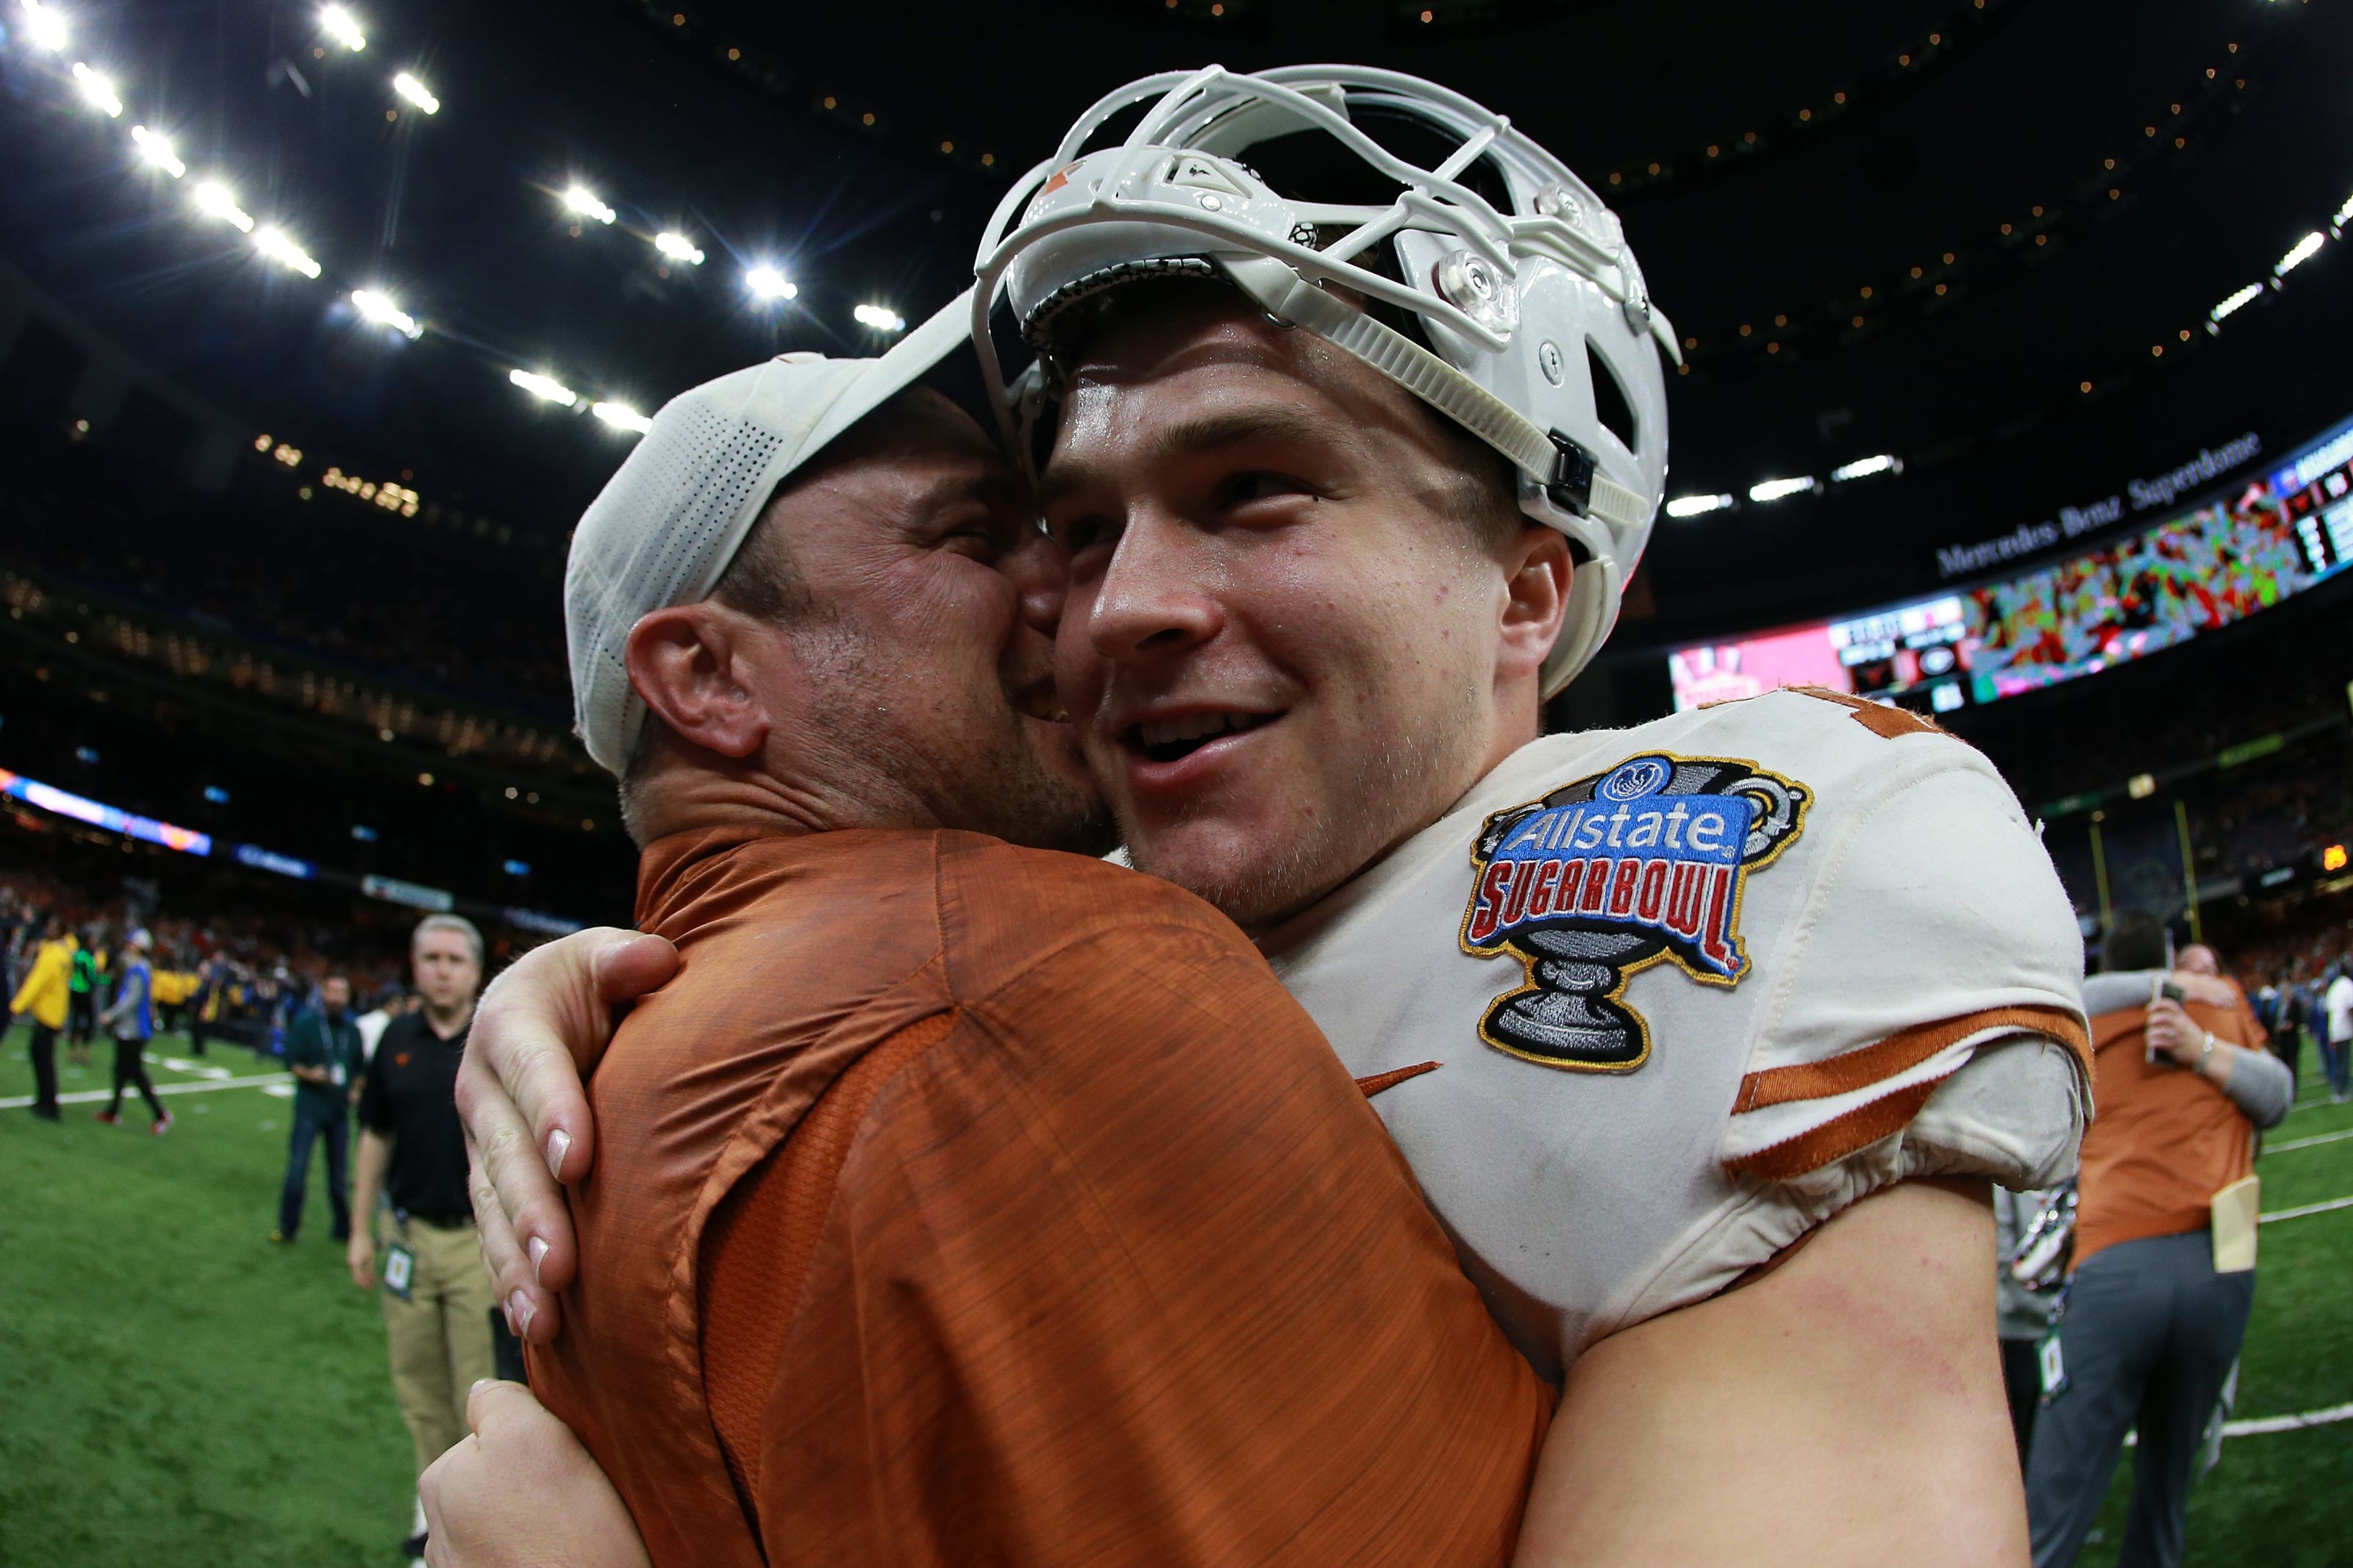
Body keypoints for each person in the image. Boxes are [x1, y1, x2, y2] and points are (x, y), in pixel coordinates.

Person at [438, 66, 2090, 1567]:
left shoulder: (1765, 861)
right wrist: (651, 968)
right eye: (1073, 530)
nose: (1113, 609)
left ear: (1525, 591)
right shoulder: (1037, 939)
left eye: (1252, 491)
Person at [2022, 918, 2290, 1568]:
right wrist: (2195, 1030)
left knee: (2051, 1511)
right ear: (2171, 963)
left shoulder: (2081, 1015)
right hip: (2218, 1265)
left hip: (2117, 1264)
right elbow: (2278, 1094)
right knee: (2165, 1495)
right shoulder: (2216, 1002)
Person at [350, 915, 497, 1561]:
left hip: (474, 1245)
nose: (441, 968)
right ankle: (431, 1508)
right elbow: (374, 1135)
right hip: (405, 1235)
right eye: (430, 957)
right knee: (418, 1385)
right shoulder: (393, 1040)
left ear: (475, 970)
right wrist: (359, 1229)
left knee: (479, 1393)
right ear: (415, 966)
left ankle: (471, 1525)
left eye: (454, 959)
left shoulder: (493, 1039)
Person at [273, 974, 362, 1244]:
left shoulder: (353, 1030)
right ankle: (287, 1228)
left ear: (347, 998)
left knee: (339, 1177)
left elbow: (360, 1068)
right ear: (323, 994)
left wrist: (356, 1089)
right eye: (331, 992)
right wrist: (311, 1075)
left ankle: (343, 1228)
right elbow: (291, 1061)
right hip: (310, 1108)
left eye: (341, 993)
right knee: (298, 1170)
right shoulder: (306, 1023)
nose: (336, 998)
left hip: (339, 1113)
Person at [94, 927, 169, 1133]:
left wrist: (111, 1014)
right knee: (120, 1070)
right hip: (130, 1027)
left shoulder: (139, 969)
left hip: (134, 1029)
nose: (128, 946)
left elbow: (131, 1000)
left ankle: (160, 1113)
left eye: (131, 943)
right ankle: (113, 1110)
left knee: (134, 1073)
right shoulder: (140, 966)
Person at [7, 912, 74, 1120]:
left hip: (47, 1014)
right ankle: (45, 1100)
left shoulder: (53, 955)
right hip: (55, 1012)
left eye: (54, 926)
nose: (49, 928)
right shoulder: (64, 953)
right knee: (42, 1057)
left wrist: (15, 1007)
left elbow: (37, 983)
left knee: (43, 1059)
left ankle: (49, 1105)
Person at [65, 930, 99, 1069]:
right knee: (88, 1022)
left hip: (74, 991)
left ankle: (73, 1051)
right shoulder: (88, 957)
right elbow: (92, 977)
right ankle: (83, 1052)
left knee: (75, 1020)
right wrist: (106, 979)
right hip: (85, 992)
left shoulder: (76, 954)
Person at [2325, 963, 2353, 1103]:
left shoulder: (2334, 987)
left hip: (2334, 1028)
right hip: (2344, 1028)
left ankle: (2339, 1088)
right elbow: (2351, 1007)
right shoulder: (2348, 985)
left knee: (2339, 1061)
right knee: (2344, 1061)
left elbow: (2327, 1009)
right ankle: (2341, 1090)